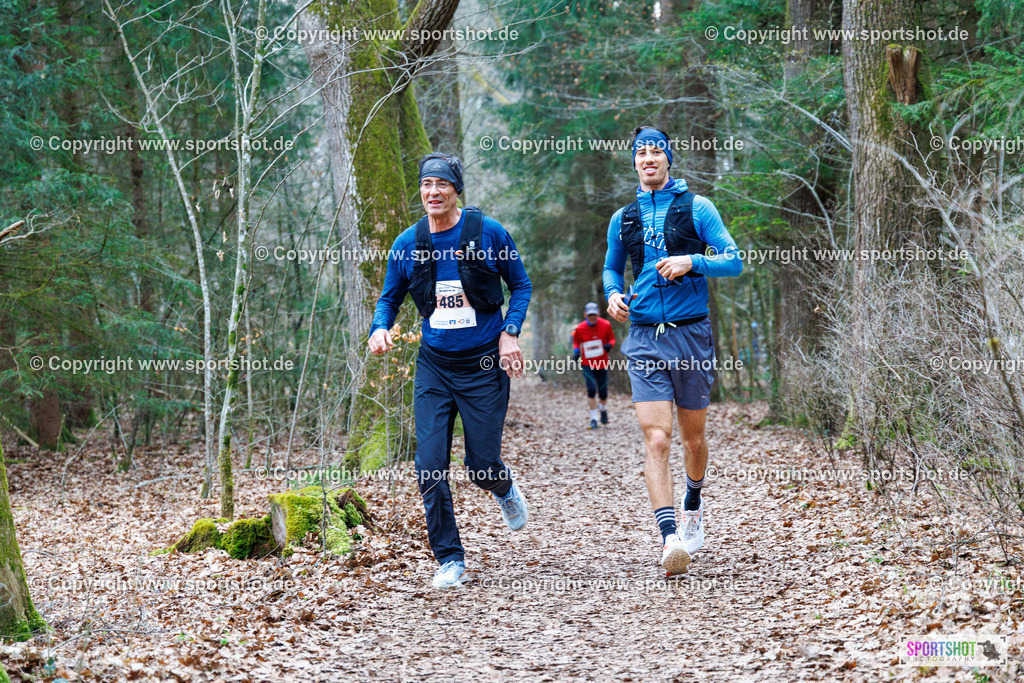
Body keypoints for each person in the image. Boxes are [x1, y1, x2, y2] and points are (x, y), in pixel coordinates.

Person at [368, 152, 532, 589]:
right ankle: (450, 559)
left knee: (480, 466)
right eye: (426, 185)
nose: (433, 192)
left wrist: (509, 333)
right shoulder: (407, 243)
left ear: (456, 189)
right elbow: (389, 297)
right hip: (435, 366)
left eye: (442, 184)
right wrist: (380, 327)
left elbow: (520, 284)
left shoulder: (488, 232)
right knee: (429, 465)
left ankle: (502, 487)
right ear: (420, 191)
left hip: (482, 365)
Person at [603, 126, 743, 576]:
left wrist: (692, 261)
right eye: (640, 153)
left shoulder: (697, 208)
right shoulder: (623, 217)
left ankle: (694, 502)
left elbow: (734, 259)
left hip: (690, 335)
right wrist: (612, 295)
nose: (648, 159)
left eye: (655, 152)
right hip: (644, 337)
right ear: (634, 163)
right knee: (657, 438)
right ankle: (669, 539)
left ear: (668, 160)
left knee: (692, 439)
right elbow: (610, 267)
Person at [571, 302, 616, 429]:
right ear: (585, 314)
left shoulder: (606, 325)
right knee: (591, 390)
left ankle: (603, 409)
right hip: (587, 363)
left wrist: (609, 346)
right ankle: (593, 419)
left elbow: (612, 339)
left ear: (598, 314)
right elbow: (576, 342)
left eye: (594, 315)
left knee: (603, 392)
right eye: (590, 315)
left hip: (602, 362)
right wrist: (576, 352)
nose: (592, 317)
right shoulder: (580, 328)